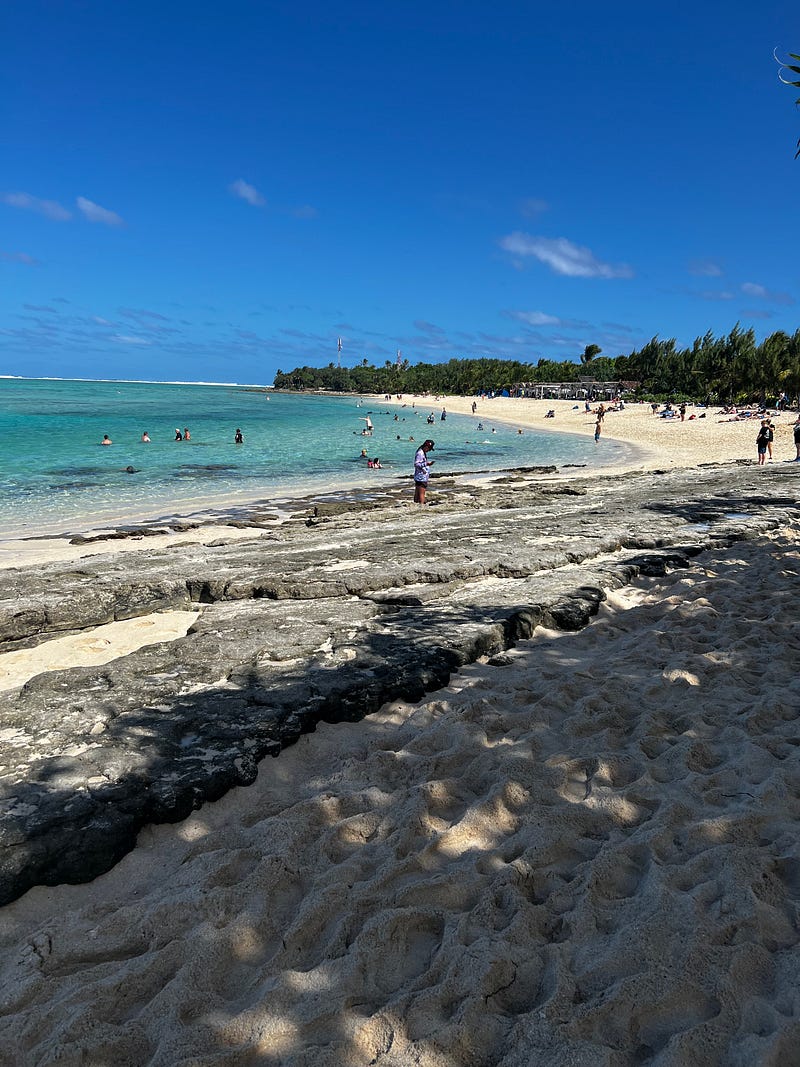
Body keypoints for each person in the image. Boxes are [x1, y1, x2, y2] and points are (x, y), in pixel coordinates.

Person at [413, 439, 435, 504]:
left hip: (420, 476)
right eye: (429, 449)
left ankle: (416, 505)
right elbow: (416, 464)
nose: (429, 450)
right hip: (421, 476)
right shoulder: (420, 453)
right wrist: (427, 464)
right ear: (426, 447)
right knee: (421, 494)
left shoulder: (421, 452)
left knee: (417, 493)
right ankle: (421, 506)